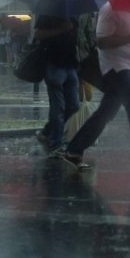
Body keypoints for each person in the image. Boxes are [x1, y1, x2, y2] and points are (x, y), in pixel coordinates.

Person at [63, 1, 130, 174]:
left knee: (105, 113)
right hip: (116, 68)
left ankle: (74, 150)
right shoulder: (111, 9)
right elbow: (102, 42)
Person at [35, 14, 80, 157]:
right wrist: (62, 29)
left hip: (70, 65)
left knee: (74, 106)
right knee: (58, 106)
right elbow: (38, 34)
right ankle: (56, 143)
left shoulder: (74, 14)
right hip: (54, 64)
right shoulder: (49, 12)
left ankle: (47, 132)